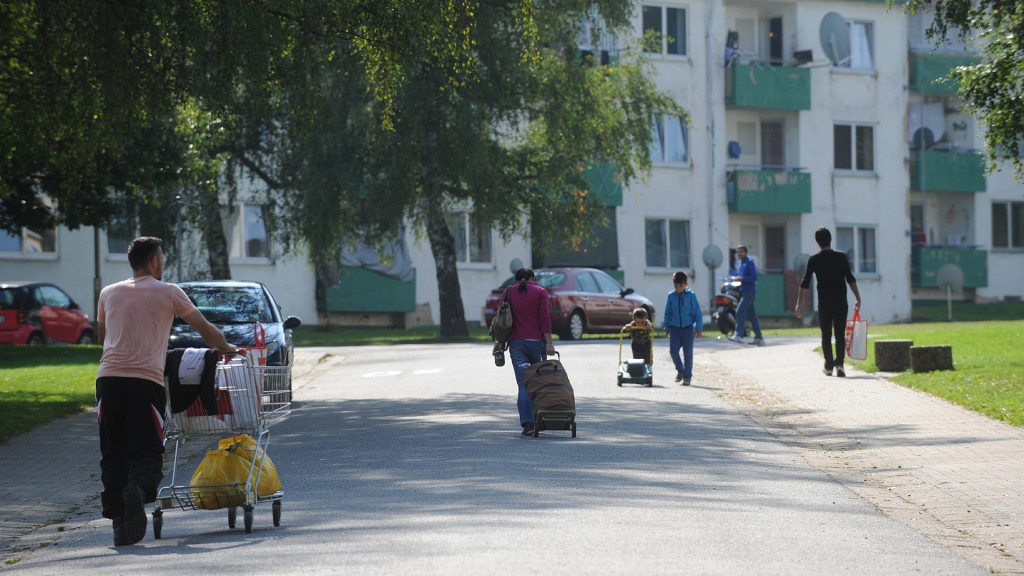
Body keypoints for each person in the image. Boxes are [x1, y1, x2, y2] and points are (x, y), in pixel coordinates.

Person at [96, 236, 237, 546]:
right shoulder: (170, 292)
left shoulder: (107, 293)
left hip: (107, 380)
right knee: (147, 450)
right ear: (155, 262)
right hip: (145, 382)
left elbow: (102, 337)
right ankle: (138, 489)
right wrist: (225, 346)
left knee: (113, 452)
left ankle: (120, 527)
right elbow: (204, 328)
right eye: (162, 259)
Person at [795, 227, 862, 378]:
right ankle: (840, 365)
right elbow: (850, 278)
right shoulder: (841, 257)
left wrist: (799, 303)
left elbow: (805, 282)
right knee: (839, 334)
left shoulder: (814, 259)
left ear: (817, 242)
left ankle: (828, 365)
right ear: (830, 239)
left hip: (824, 302)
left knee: (826, 335)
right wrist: (858, 297)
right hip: (841, 302)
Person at [505, 268, 556, 436]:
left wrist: (499, 343)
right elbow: (544, 319)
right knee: (538, 382)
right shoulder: (540, 292)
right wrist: (549, 344)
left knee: (523, 384)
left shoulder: (509, 291)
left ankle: (528, 423)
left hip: (516, 343)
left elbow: (501, 318)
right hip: (537, 344)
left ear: (516, 279)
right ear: (532, 278)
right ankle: (539, 419)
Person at [662, 271, 703, 386]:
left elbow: (697, 313)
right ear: (673, 284)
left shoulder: (691, 296)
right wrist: (666, 327)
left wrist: (699, 328)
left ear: (686, 284)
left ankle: (687, 376)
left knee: (688, 353)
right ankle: (680, 369)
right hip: (674, 329)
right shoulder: (671, 296)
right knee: (673, 351)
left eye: (681, 285)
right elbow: (667, 313)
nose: (678, 288)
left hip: (688, 329)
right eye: (676, 285)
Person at [730, 245, 764, 345]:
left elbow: (754, 277)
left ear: (746, 252)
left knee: (739, 311)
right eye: (737, 252)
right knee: (752, 316)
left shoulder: (749, 262)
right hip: (744, 291)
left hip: (750, 291)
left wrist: (742, 279)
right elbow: (741, 276)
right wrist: (735, 278)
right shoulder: (740, 263)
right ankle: (759, 337)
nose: (739, 253)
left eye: (741, 251)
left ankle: (738, 335)